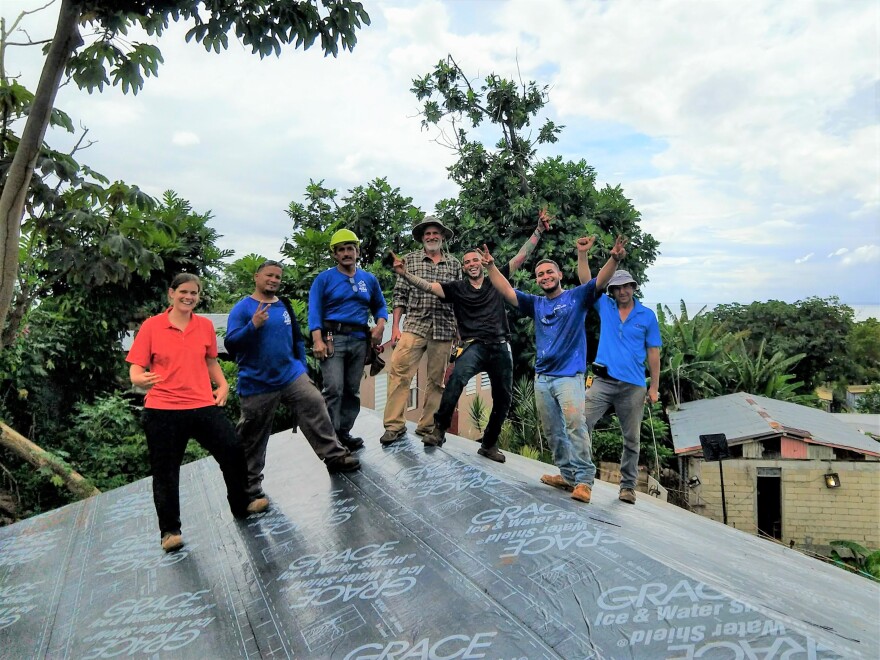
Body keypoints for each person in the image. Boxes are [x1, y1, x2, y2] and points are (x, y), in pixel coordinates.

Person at [390, 210, 552, 461]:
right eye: (467, 262)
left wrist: (539, 230)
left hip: (500, 346)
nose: (472, 264)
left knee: (503, 398)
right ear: (463, 268)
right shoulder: (457, 288)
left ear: (482, 262)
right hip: (474, 346)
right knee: (454, 381)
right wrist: (404, 275)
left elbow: (521, 256)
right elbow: (428, 286)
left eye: (475, 260)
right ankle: (438, 430)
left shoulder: (496, 281)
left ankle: (488, 444)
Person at [481, 236, 626, 503]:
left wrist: (614, 259)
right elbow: (507, 291)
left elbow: (600, 282)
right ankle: (568, 474)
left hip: (569, 377)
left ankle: (583, 480)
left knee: (575, 425)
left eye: (549, 272)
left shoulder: (576, 298)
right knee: (552, 430)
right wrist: (491, 266)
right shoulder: (536, 303)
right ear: (537, 280)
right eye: (540, 274)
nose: (545, 276)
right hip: (543, 378)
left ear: (559, 274)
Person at [127, 273, 261, 553]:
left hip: (202, 405)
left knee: (233, 450)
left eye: (194, 293)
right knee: (165, 472)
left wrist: (222, 384)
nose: (189, 297)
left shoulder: (204, 326)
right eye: (184, 292)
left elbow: (211, 360)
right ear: (171, 294)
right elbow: (136, 369)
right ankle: (169, 531)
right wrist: (139, 380)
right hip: (162, 410)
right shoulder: (152, 327)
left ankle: (242, 504)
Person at [225, 260, 360, 507]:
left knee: (315, 402)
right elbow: (231, 345)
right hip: (257, 383)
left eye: (278, 276)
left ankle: (335, 456)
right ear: (257, 277)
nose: (274, 280)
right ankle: (250, 487)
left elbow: (297, 338)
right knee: (253, 436)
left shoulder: (283, 305)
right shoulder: (243, 308)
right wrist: (252, 326)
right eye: (269, 275)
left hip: (290, 375)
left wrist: (300, 367)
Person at [576, 261, 661, 505]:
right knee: (582, 422)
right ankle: (582, 476)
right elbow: (586, 282)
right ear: (612, 291)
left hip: (633, 386)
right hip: (602, 382)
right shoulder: (606, 307)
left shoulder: (647, 316)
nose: (622, 291)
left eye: (627, 287)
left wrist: (654, 387)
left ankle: (627, 487)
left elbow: (653, 352)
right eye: (617, 287)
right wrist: (582, 254)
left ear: (634, 288)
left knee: (632, 438)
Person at [380, 216, 462, 446]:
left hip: (444, 328)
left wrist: (459, 329)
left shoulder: (454, 264)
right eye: (428, 233)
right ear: (422, 238)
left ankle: (427, 426)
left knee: (437, 381)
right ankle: (394, 425)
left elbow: (458, 298)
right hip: (415, 324)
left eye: (436, 233)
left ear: (443, 237)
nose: (432, 237)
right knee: (399, 372)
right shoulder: (410, 260)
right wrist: (395, 327)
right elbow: (399, 296)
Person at [309, 230, 388, 450]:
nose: (346, 253)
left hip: (359, 340)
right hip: (333, 338)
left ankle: (344, 433)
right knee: (334, 388)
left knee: (352, 390)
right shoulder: (324, 279)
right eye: (341, 249)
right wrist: (317, 339)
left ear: (357, 251)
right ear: (335, 254)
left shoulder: (368, 279)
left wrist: (380, 325)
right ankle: (330, 438)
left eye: (350, 248)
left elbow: (380, 305)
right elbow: (314, 310)